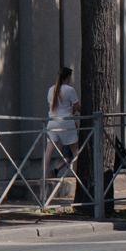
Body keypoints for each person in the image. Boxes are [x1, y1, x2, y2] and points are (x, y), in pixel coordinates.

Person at [43, 67, 81, 202]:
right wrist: (75, 110)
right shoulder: (70, 90)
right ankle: (79, 179)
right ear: (68, 77)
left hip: (52, 123)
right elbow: (77, 107)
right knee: (75, 152)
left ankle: (45, 175)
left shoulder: (50, 89)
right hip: (66, 123)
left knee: (48, 151)